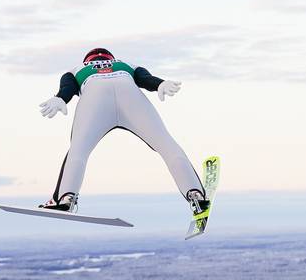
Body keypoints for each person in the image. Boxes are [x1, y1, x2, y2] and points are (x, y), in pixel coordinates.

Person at [38, 48, 209, 217]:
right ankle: (196, 195)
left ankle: (64, 199)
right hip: (130, 94)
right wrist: (160, 84)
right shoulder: (125, 64)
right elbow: (145, 79)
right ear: (111, 58)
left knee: (78, 151)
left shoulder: (76, 69)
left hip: (94, 98)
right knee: (167, 145)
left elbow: (68, 87)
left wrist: (60, 98)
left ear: (87, 61)